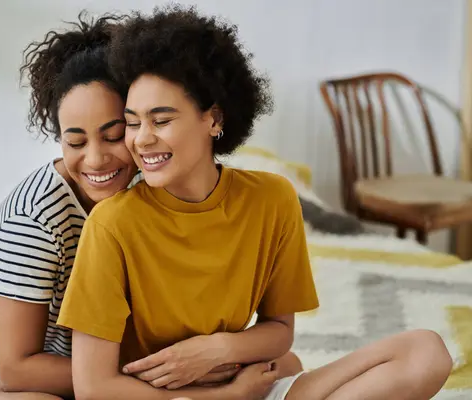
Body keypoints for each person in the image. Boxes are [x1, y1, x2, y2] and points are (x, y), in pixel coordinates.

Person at [57, 5, 453, 400]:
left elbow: (279, 332)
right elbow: (94, 388)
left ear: (213, 119)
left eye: (161, 121)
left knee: (426, 351)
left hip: (250, 389)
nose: (141, 139)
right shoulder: (112, 224)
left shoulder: (272, 199)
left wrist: (218, 349)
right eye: (132, 121)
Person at [0, 13, 139, 400]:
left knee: (278, 365)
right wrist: (144, 379)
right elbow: (17, 368)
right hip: (2, 381)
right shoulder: (35, 218)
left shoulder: (144, 183)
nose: (97, 160)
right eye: (76, 143)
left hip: (99, 369)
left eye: (114, 136)